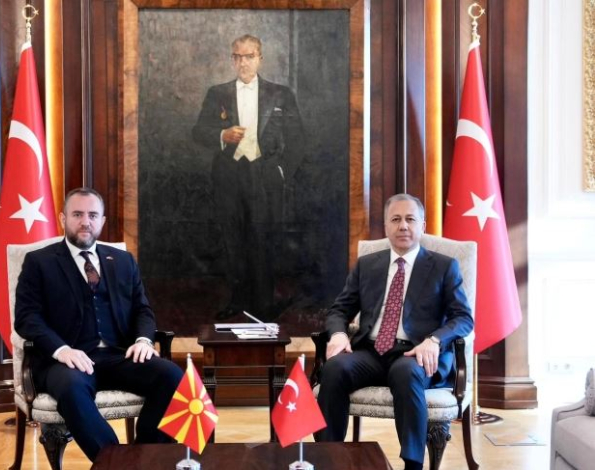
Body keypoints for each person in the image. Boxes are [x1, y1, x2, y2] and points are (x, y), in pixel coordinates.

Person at [14, 187, 182, 462]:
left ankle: (145, 459)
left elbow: (142, 310)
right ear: (63, 218)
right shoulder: (39, 262)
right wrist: (61, 350)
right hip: (66, 362)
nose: (85, 222)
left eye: (92, 215)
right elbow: (26, 317)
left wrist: (143, 340)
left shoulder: (124, 261)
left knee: (173, 377)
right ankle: (115, 463)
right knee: (71, 389)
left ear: (102, 221)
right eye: (77, 214)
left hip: (119, 355)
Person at [315, 194, 474, 470]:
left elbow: (463, 318)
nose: (403, 226)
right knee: (334, 369)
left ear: (422, 225)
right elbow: (339, 310)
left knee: (405, 372)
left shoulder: (443, 266)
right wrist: (339, 334)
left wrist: (434, 340)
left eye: (410, 219)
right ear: (386, 226)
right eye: (396, 219)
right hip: (371, 351)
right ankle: (330, 458)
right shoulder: (368, 265)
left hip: (415, 353)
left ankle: (412, 464)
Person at [192, 34, 306, 321]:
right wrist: (222, 134)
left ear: (260, 59)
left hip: (265, 175)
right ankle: (237, 300)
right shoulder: (217, 93)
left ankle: (264, 303)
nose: (243, 62)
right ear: (232, 60)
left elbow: (298, 139)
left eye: (249, 56)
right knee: (233, 238)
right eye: (238, 57)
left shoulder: (281, 94)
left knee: (263, 237)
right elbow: (198, 132)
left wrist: (281, 172)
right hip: (229, 176)